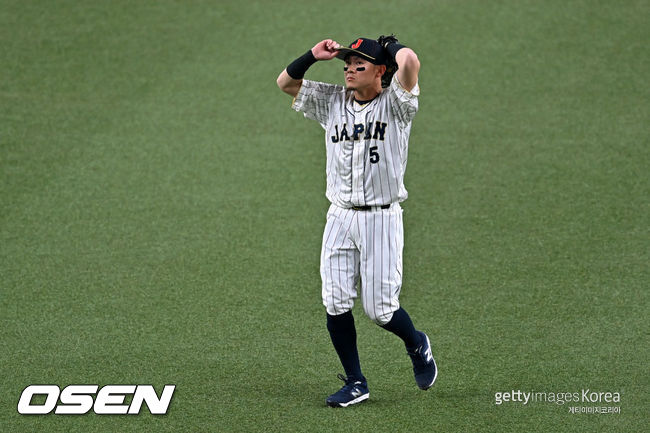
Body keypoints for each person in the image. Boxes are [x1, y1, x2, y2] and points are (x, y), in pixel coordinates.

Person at [276, 36, 437, 408]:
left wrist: (393, 46)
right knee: (334, 301)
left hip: (381, 218)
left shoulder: (397, 105)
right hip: (339, 216)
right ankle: (356, 382)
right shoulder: (332, 101)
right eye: (347, 64)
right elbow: (285, 83)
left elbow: (410, 61)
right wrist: (312, 57)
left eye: (359, 64)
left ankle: (416, 343)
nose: (349, 69)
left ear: (381, 71)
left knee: (380, 310)